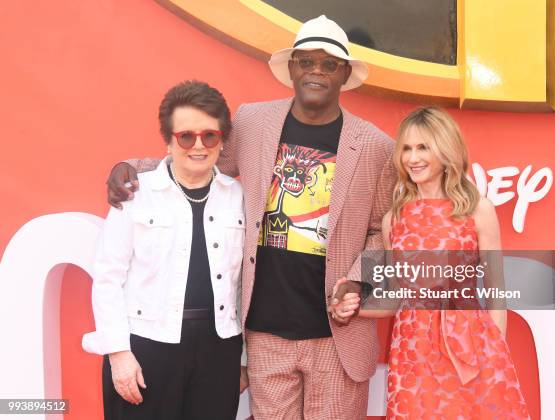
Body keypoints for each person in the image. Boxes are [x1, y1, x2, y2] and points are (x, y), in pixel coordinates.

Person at [105, 15, 395, 420]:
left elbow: (381, 229)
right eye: (306, 61)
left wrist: (357, 283)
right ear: (291, 69)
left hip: (336, 336)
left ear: (344, 73)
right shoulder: (254, 122)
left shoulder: (376, 146)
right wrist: (132, 166)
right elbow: (200, 162)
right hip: (265, 334)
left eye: (328, 63)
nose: (316, 71)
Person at [330, 107, 530, 418]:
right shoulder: (392, 220)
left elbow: (496, 290)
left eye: (423, 147)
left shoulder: (478, 210)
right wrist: (353, 303)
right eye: (406, 149)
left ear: (446, 149)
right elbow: (393, 297)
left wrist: (494, 351)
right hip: (414, 350)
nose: (412, 158)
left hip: (470, 343)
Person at [83, 80, 246, 420]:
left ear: (222, 140)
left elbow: (247, 281)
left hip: (219, 349)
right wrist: (118, 354)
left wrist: (242, 359)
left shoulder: (239, 197)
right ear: (169, 141)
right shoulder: (135, 194)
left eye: (209, 136)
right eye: (186, 136)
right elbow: (108, 276)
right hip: (147, 346)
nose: (198, 146)